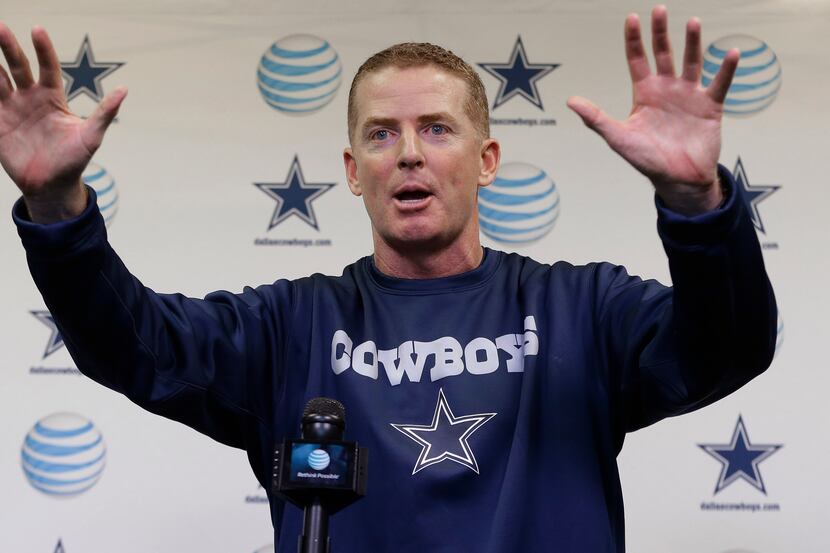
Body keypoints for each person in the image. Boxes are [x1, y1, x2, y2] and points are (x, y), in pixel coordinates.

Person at [1, 6, 776, 552]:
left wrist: (695, 201)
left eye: (437, 128)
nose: (409, 153)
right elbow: (133, 346)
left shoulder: (583, 309)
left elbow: (730, 345)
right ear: (352, 170)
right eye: (382, 134)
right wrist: (54, 203)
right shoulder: (290, 326)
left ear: (487, 160)